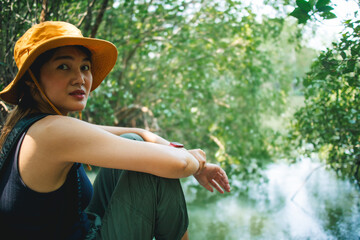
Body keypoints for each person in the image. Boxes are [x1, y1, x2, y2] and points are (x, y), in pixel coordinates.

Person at [0, 21, 230, 240]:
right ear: (31, 80)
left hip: (82, 229)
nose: (79, 78)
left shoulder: (30, 124)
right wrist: (195, 162)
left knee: (136, 143)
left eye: (85, 67)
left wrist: (181, 151)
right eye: (63, 66)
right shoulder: (53, 130)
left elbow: (138, 133)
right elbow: (178, 165)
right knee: (157, 173)